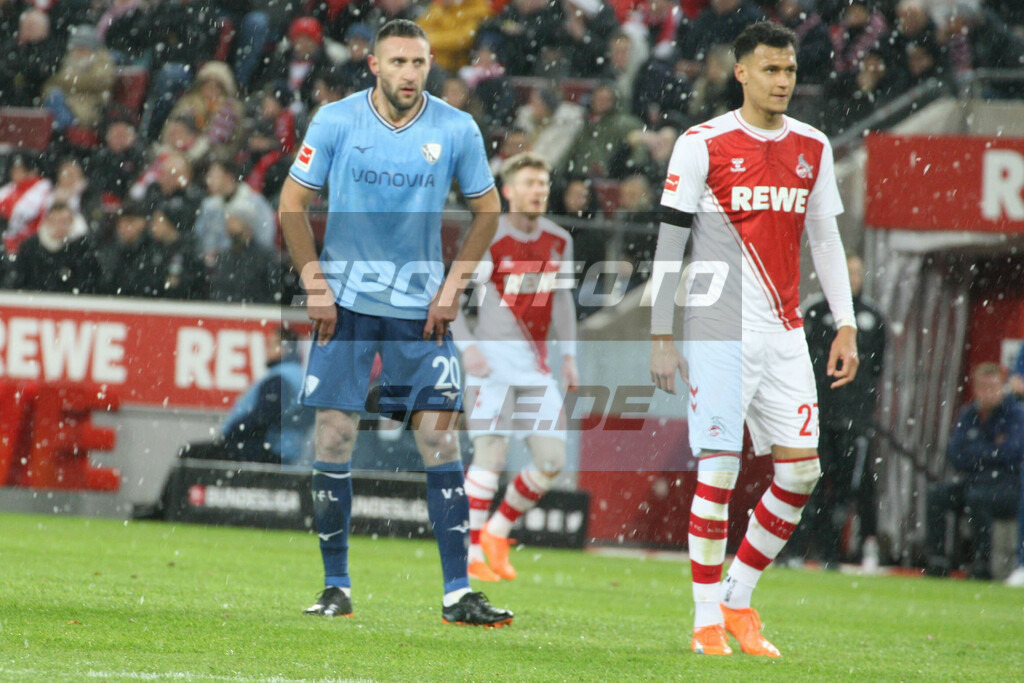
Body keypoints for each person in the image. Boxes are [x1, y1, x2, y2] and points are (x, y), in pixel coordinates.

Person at [277, 19, 511, 626]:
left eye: (419, 62)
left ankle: (459, 593)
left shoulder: (456, 128)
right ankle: (336, 587)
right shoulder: (335, 120)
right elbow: (291, 203)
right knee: (333, 436)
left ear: (431, 63)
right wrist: (314, 283)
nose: (410, 73)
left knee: (439, 437)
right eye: (398, 62)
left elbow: (488, 209)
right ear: (373, 65)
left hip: (419, 310)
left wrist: (454, 284)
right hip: (346, 306)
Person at [649, 22, 859, 657]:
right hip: (718, 334)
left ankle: (739, 600)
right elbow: (670, 241)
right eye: (771, 70)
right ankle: (704, 619)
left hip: (786, 333)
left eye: (790, 70)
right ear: (741, 72)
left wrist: (844, 321)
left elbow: (824, 239)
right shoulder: (701, 142)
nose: (783, 81)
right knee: (718, 472)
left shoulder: (814, 146)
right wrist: (661, 331)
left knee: (802, 474)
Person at [450, 152, 578, 583]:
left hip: (535, 368)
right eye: (529, 183)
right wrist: (467, 348)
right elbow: (449, 297)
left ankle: (497, 532)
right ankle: (468, 558)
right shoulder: (488, 236)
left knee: (551, 460)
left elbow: (561, 301)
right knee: (492, 454)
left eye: (543, 183)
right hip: (491, 367)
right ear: (508, 191)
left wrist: (569, 356)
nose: (538, 191)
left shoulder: (559, 239)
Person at [795, 254, 886, 571]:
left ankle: (836, 554)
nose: (853, 279)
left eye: (857, 273)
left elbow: (876, 369)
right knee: (810, 483)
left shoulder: (873, 316)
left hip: (853, 419)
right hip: (817, 416)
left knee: (848, 488)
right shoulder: (815, 311)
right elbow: (801, 360)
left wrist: (861, 410)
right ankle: (800, 550)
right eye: (846, 272)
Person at [925, 363, 1023, 580]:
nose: (989, 393)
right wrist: (990, 450)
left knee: (978, 499)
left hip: (1009, 486)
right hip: (974, 481)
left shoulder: (1016, 414)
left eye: (994, 386)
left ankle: (981, 564)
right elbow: (955, 454)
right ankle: (937, 560)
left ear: (1003, 386)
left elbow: (1011, 454)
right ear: (975, 389)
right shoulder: (969, 413)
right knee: (937, 495)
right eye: (983, 387)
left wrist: (977, 452)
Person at [220, 327, 314, 465]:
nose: (265, 350)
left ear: (286, 348)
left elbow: (266, 414)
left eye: (270, 345)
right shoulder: (297, 375)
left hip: (266, 451)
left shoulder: (280, 377)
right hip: (289, 451)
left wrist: (234, 430)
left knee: (192, 455)